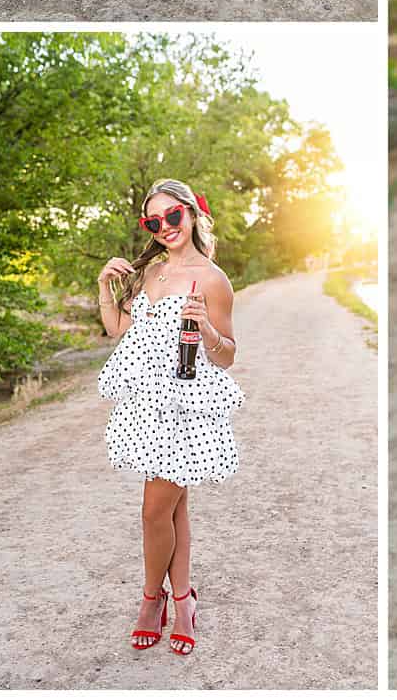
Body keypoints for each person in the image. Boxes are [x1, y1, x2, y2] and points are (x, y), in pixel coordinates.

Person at [97, 179, 244, 655]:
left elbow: (227, 355)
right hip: (148, 409)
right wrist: (105, 287)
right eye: (153, 222)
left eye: (172, 217)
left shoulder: (213, 279)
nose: (164, 228)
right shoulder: (151, 274)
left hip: (187, 409)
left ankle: (150, 600)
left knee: (153, 510)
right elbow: (120, 329)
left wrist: (205, 329)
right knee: (174, 509)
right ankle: (183, 601)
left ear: (192, 213)